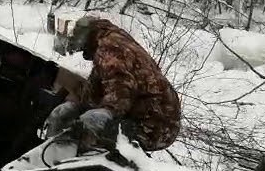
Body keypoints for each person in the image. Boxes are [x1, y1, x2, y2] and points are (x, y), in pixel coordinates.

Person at [42, 15, 182, 155]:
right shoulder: (111, 40)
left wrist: (105, 112)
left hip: (154, 124)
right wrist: (77, 105)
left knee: (93, 130)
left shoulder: (109, 47)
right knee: (85, 120)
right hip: (161, 119)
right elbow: (98, 87)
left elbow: (120, 86)